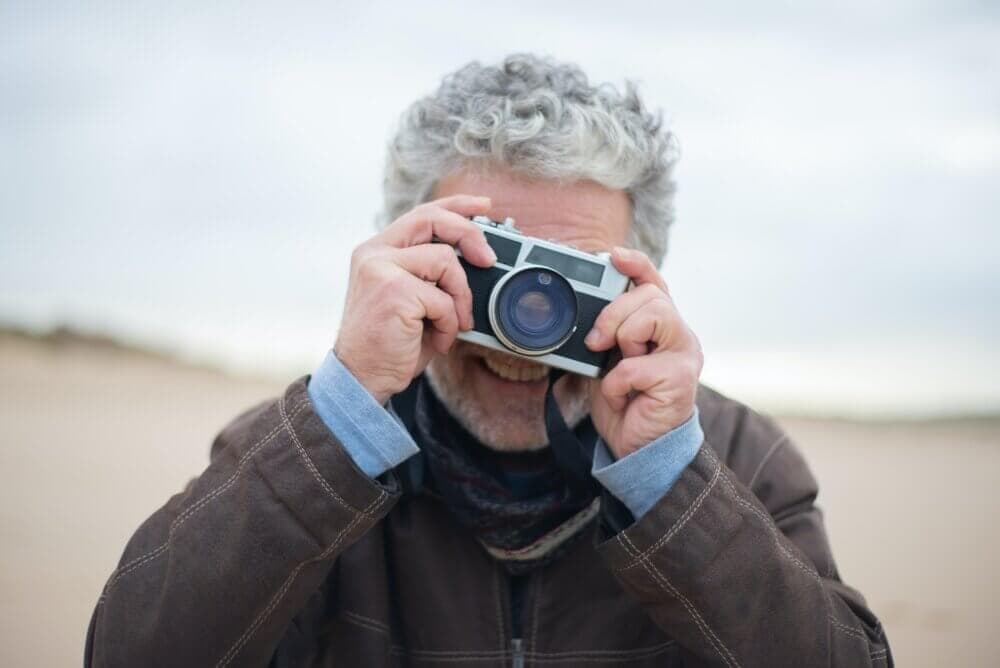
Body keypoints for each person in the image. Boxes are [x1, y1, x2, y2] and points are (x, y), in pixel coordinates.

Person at [86, 54, 892, 667]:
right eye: (489, 269)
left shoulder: (737, 460)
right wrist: (341, 419)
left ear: (644, 279)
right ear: (404, 254)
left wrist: (668, 484)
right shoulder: (302, 453)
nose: (524, 328)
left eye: (572, 283)